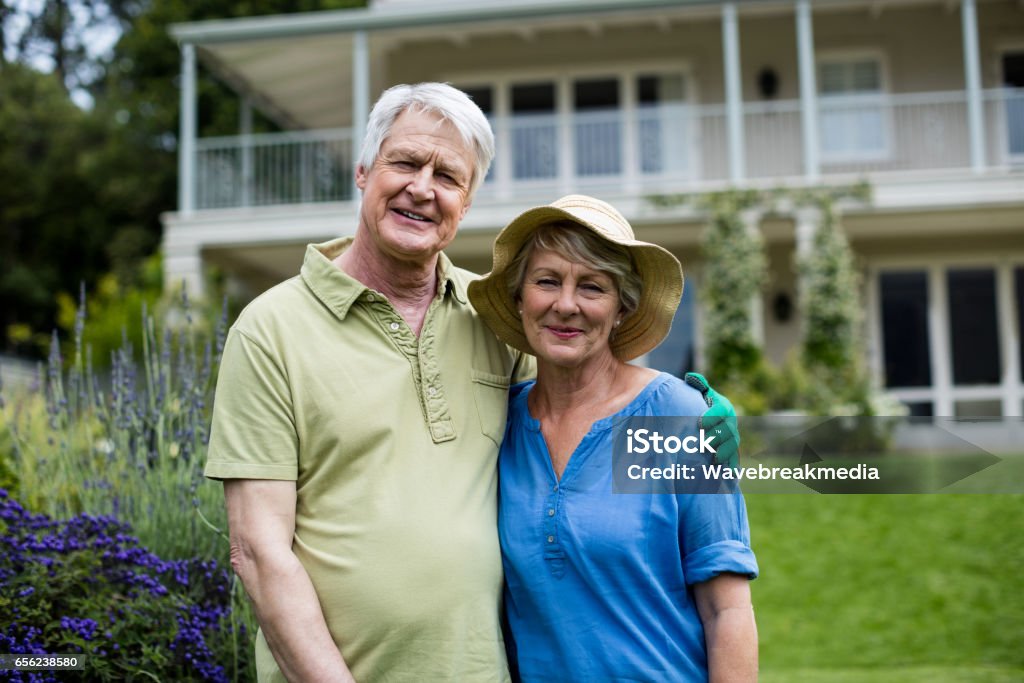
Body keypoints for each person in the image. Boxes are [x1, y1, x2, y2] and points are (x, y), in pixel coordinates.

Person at [205, 83, 737, 682]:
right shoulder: (272, 329)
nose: (422, 188)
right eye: (404, 162)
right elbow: (258, 551)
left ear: (467, 200)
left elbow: (584, 406)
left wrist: (690, 420)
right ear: (361, 171)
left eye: (448, 176)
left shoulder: (496, 326)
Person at [468, 194, 759, 682]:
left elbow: (725, 610)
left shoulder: (677, 419)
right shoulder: (500, 424)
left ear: (622, 309)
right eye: (546, 281)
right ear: (520, 300)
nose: (566, 305)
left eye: (592, 287)